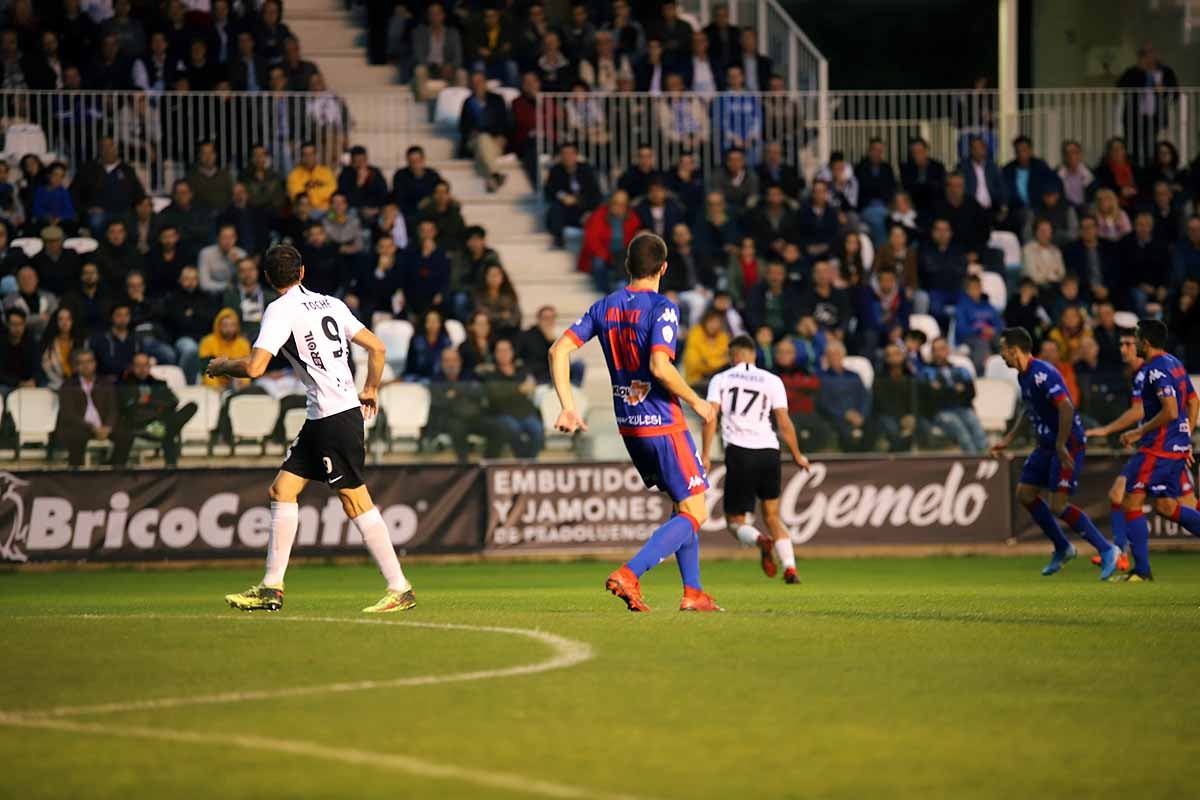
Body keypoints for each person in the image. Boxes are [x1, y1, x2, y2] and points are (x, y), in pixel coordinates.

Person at [210, 244, 414, 614]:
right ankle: (271, 588)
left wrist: (223, 365)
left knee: (355, 500)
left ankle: (399, 587)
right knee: (282, 489)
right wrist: (370, 389)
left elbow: (255, 368)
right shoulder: (331, 304)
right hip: (326, 415)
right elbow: (378, 347)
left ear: (268, 279)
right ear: (302, 272)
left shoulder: (278, 310)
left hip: (334, 418)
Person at [549, 232, 721, 613]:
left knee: (683, 505)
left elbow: (558, 349)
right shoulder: (663, 307)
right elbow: (661, 366)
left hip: (630, 425)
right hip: (663, 424)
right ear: (663, 268)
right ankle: (631, 572)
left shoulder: (605, 306)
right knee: (698, 512)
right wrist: (697, 401)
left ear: (628, 266)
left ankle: (693, 592)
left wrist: (567, 405)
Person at [992, 327, 1121, 578]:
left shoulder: (1043, 374)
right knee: (1025, 494)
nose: (1001, 355)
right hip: (1047, 444)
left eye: (1002, 350)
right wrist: (1008, 438)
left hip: (1067, 443)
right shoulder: (1023, 376)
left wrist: (1062, 445)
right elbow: (1028, 408)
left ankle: (1107, 549)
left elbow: (1066, 407)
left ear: (1014, 350)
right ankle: (1063, 547)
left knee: (1058, 505)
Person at [1084, 328, 1195, 574]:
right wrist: (1185, 438)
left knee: (1134, 500)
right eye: (1123, 343)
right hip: (1167, 445)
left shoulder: (1149, 372)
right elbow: (1193, 400)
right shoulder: (1172, 363)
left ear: (1143, 343)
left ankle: (1134, 565)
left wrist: (1114, 430)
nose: (1125, 348)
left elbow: (1146, 412)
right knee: (1153, 503)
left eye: (1129, 343)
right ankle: (1122, 554)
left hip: (1159, 447)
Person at [701, 335, 810, 583]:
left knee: (734, 522)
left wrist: (706, 455)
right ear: (753, 355)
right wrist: (797, 455)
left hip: (740, 451)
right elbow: (784, 422)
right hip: (770, 451)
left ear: (734, 356)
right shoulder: (772, 380)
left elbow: (710, 417)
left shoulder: (721, 379)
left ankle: (760, 540)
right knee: (772, 514)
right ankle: (790, 567)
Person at [921, 336, 987, 453]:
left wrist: (943, 390)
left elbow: (971, 393)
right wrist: (955, 390)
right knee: (961, 431)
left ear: (948, 350)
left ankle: (986, 458)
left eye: (943, 348)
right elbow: (930, 398)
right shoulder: (927, 372)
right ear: (932, 353)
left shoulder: (961, 370)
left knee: (975, 426)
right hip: (941, 412)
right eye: (936, 350)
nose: (940, 352)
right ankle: (973, 464)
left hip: (962, 408)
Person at [54, 349, 118, 467]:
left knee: (125, 436)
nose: (86, 366)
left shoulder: (105, 383)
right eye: (81, 363)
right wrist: (92, 427)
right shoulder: (68, 385)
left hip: (103, 426)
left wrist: (108, 427)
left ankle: (115, 471)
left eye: (89, 361)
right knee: (76, 437)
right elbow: (69, 414)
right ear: (76, 366)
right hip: (81, 427)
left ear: (94, 364)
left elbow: (113, 408)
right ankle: (77, 475)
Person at [459, 71, 510, 193]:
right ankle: (495, 173)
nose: (477, 85)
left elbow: (505, 122)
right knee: (482, 138)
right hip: (473, 141)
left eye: (480, 82)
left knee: (482, 147)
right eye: (474, 82)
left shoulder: (497, 100)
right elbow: (462, 127)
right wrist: (471, 132)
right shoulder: (468, 102)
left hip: (495, 140)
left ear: (485, 83)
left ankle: (490, 180)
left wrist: (502, 136)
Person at [544, 142, 602, 248]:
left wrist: (578, 200)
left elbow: (595, 194)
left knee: (595, 215)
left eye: (571, 154)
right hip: (565, 210)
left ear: (576, 155)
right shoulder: (555, 170)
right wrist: (563, 197)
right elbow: (550, 192)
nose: (568, 157)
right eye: (564, 154)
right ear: (560, 156)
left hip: (584, 208)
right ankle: (558, 237)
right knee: (555, 209)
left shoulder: (586, 169)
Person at [817, 339, 870, 452]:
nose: (834, 357)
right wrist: (844, 414)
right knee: (845, 434)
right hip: (835, 419)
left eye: (837, 354)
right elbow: (824, 403)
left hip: (859, 416)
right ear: (826, 357)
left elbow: (865, 397)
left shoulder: (855, 376)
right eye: (830, 355)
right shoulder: (822, 378)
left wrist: (861, 414)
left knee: (874, 428)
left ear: (843, 355)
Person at [873, 343, 919, 452]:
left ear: (903, 356)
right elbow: (881, 404)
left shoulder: (910, 378)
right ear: (886, 359)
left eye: (897, 354)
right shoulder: (879, 379)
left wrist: (911, 416)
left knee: (921, 428)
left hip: (907, 416)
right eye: (890, 355)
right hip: (886, 416)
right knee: (893, 429)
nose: (894, 357)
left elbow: (915, 401)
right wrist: (901, 419)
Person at [198, 307, 251, 391]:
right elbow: (206, 371)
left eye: (232, 325)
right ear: (218, 326)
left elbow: (246, 370)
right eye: (225, 325)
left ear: (237, 326)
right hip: (213, 385)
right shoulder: (208, 342)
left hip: (236, 384)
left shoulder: (243, 343)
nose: (229, 329)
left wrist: (243, 386)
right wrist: (216, 388)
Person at [0, 307, 38, 392]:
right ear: (7, 324)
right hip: (7, 384)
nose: (18, 328)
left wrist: (34, 380)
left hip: (28, 383)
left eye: (20, 324)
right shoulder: (2, 342)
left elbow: (37, 366)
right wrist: (18, 383)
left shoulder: (31, 341)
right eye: (14, 324)